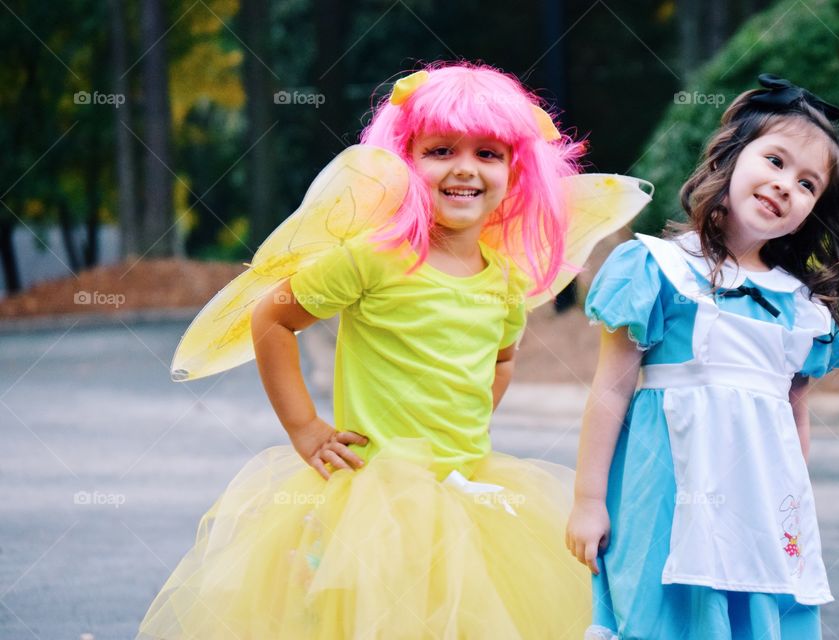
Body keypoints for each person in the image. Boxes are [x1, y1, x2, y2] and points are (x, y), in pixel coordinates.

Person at [138, 62, 644, 639]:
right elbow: (272, 317)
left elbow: (500, 361)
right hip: (370, 496)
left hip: (463, 490)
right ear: (405, 161)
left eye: (489, 154)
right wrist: (305, 427)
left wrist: (463, 419)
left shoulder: (504, 278)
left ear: (516, 171)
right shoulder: (374, 258)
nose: (465, 168)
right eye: (441, 150)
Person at [566, 74, 839, 640]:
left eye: (808, 184)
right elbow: (610, 392)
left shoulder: (803, 307)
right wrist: (589, 500)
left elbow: (792, 414)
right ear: (730, 158)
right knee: (661, 618)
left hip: (757, 510)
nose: (786, 185)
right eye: (775, 161)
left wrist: (788, 515)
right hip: (663, 499)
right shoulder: (657, 268)